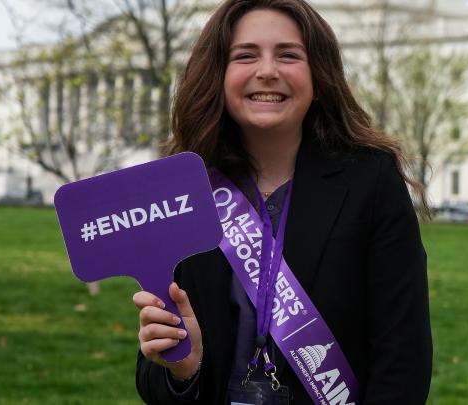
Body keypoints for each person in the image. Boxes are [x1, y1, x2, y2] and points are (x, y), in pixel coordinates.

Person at [133, 0, 432, 403]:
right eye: (245, 55)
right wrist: (184, 369)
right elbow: (155, 382)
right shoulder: (184, 190)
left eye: (289, 55)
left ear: (318, 75)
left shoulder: (371, 181)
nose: (268, 71)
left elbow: (403, 359)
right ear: (218, 74)